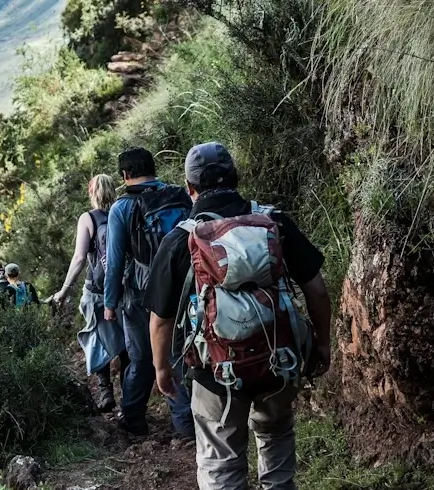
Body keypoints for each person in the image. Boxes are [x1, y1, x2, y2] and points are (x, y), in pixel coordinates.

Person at [144, 142, 332, 490]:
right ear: (237, 176)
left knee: (221, 464)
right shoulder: (274, 223)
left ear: (190, 188)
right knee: (276, 439)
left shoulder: (181, 240)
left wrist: (161, 368)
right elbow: (317, 289)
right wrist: (322, 344)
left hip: (216, 372)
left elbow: (161, 320)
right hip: (281, 361)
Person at [103, 147, 194, 437]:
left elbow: (115, 261)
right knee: (179, 353)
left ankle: (134, 421)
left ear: (125, 175)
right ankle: (187, 425)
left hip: (141, 293)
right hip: (185, 287)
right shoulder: (179, 195)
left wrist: (109, 302)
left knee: (142, 358)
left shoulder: (122, 207)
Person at [53, 174, 129, 412]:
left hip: (95, 290)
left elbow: (79, 258)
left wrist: (64, 290)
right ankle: (129, 396)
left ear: (91, 192)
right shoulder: (122, 213)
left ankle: (106, 391)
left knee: (97, 339)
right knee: (126, 343)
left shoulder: (88, 218)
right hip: (123, 289)